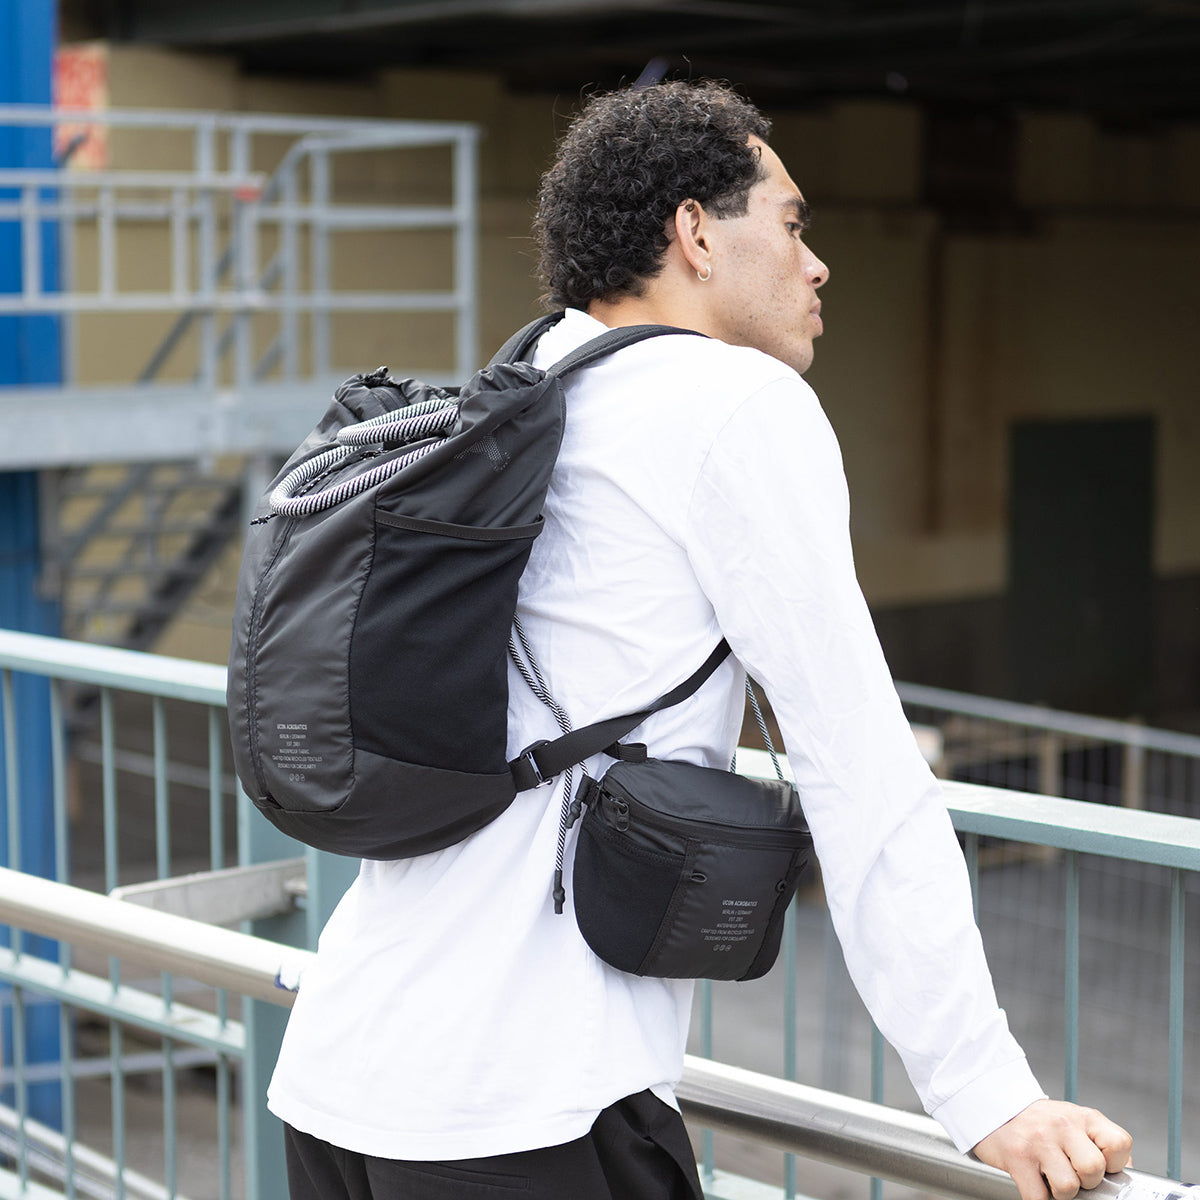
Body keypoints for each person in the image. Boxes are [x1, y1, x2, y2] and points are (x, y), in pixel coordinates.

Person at [268, 79, 1132, 1200]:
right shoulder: (735, 405)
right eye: (791, 222)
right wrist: (986, 1092)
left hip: (342, 1082)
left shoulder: (526, 384)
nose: (818, 264)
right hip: (528, 1109)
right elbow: (860, 768)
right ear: (696, 233)